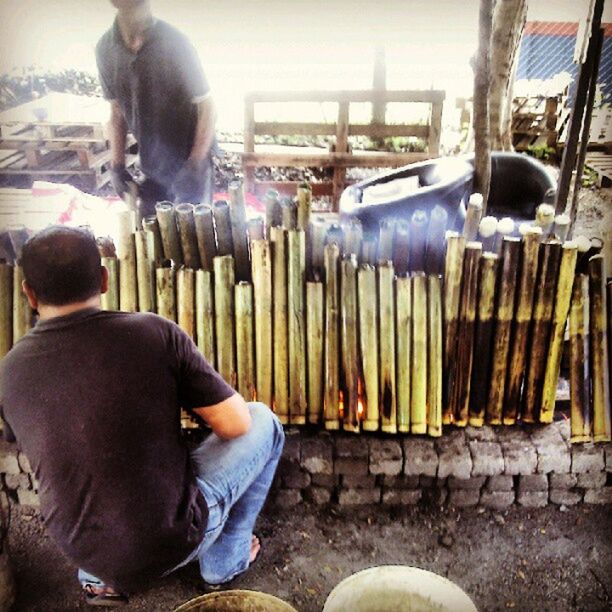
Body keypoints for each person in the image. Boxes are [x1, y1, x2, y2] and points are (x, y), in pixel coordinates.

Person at [0, 226, 284, 606]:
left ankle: (102, 580)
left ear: (29, 293)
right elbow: (235, 424)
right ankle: (223, 562)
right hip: (172, 538)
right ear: (103, 279)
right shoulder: (154, 334)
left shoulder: (9, 371)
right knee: (263, 420)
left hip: (81, 547)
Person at [96, 0, 216, 215]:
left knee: (195, 240)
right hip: (152, 165)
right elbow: (116, 112)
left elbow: (207, 107)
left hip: (189, 163)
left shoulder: (176, 43)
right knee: (150, 239)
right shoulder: (105, 49)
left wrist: (195, 164)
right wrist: (117, 166)